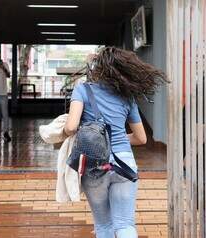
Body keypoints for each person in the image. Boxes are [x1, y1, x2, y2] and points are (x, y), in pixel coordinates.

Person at [64, 47, 167, 238]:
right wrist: (114, 138)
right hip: (124, 163)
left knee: (104, 225)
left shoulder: (83, 90)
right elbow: (141, 138)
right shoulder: (127, 96)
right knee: (125, 223)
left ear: (99, 68)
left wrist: (62, 131)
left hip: (95, 165)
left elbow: (71, 127)